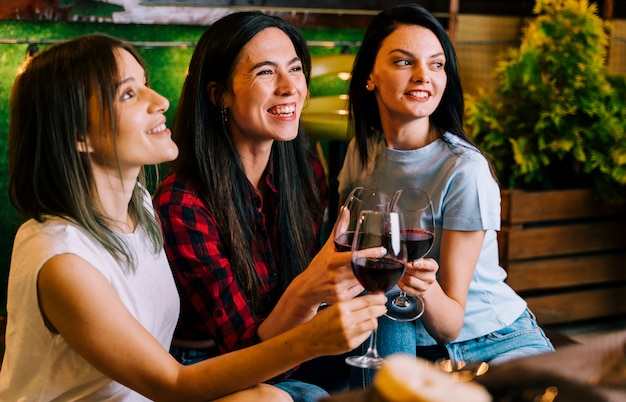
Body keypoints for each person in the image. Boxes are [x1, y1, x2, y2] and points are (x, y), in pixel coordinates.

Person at [0, 33, 387, 402]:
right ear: (77, 135)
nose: (160, 101)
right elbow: (172, 384)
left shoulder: (136, 206)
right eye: (129, 94)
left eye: (146, 83)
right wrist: (312, 336)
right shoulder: (64, 262)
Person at [152, 11, 367, 401]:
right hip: (208, 370)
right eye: (266, 72)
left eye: (296, 69)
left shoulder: (305, 174)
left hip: (287, 349)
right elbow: (242, 353)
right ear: (220, 95)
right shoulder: (182, 204)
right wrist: (308, 292)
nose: (290, 87)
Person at [338, 3, 555, 386]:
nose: (424, 75)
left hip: (491, 343)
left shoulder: (463, 169)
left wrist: (421, 283)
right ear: (370, 75)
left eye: (436, 64)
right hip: (406, 340)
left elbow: (450, 323)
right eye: (405, 62)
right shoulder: (362, 151)